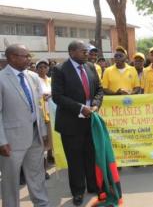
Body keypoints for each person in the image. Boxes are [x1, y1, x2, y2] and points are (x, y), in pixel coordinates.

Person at [51, 40, 103, 206]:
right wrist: (81, 108)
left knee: (90, 155)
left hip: (90, 120)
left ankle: (93, 186)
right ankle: (78, 191)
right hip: (70, 122)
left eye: (87, 51)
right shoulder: (60, 70)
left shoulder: (90, 67)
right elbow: (57, 96)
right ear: (72, 52)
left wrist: (95, 104)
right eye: (83, 51)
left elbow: (99, 90)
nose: (87, 54)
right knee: (75, 159)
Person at [0, 44, 50, 207]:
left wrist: (43, 131)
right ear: (12, 57)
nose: (30, 59)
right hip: (12, 140)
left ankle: (41, 203)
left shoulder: (33, 77)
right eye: (26, 56)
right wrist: (1, 141)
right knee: (11, 179)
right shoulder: (1, 78)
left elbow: (38, 105)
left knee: (37, 174)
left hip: (35, 135)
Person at [36, 59, 54, 175]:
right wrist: (42, 96)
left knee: (51, 137)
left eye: (45, 67)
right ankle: (41, 165)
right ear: (37, 69)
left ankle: (50, 156)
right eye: (40, 67)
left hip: (51, 112)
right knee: (42, 139)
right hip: (40, 114)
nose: (43, 69)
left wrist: (51, 95)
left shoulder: (51, 80)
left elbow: (56, 92)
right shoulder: (35, 80)